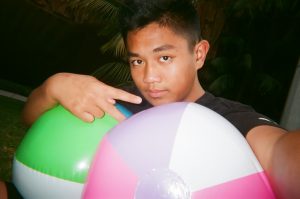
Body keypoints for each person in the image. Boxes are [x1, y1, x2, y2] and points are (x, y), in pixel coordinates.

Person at [1, 0, 299, 198]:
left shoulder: (230, 120)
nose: (149, 77)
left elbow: (280, 153)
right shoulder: (122, 100)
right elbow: (32, 118)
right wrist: (55, 87)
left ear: (199, 54)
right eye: (137, 61)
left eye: (164, 57)